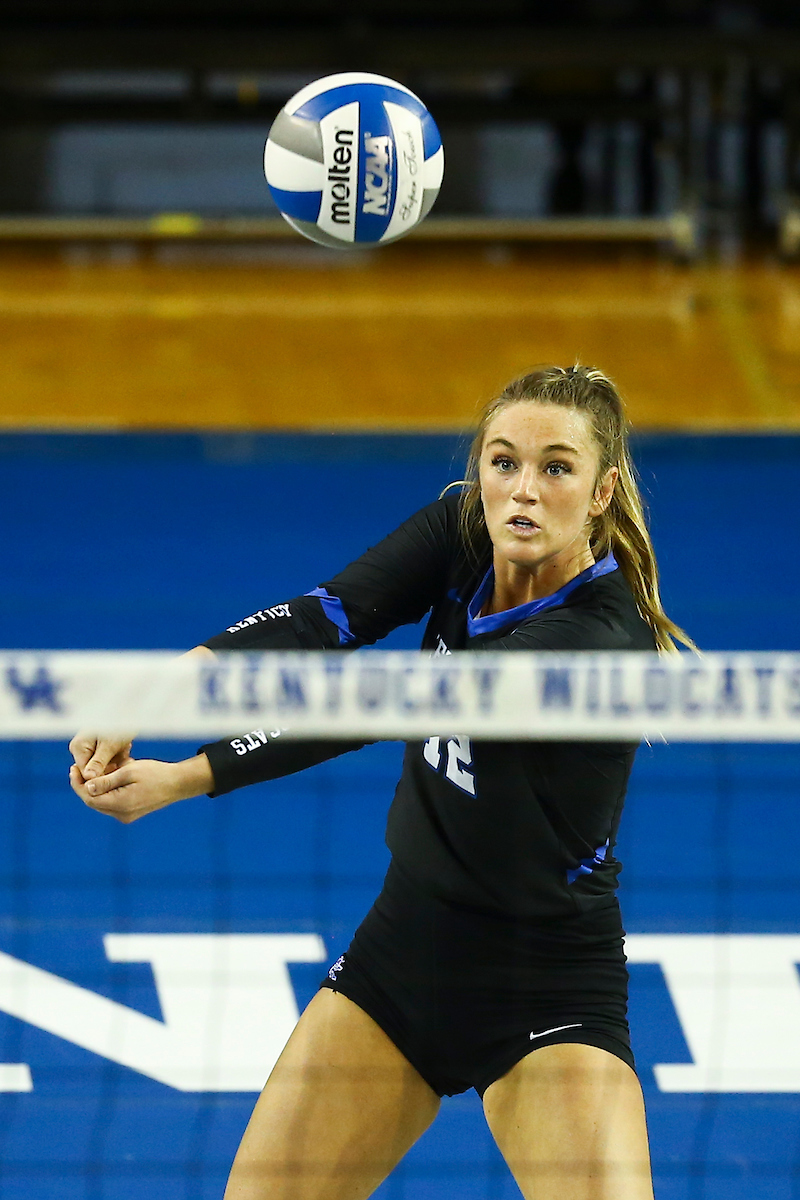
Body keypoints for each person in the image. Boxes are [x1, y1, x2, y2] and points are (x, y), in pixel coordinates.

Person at [70, 365, 692, 1200]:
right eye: (503, 461)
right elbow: (320, 622)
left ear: (602, 490)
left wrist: (194, 771)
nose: (523, 490)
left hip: (545, 982)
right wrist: (161, 714)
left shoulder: (599, 638)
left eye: (557, 467)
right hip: (404, 955)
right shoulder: (462, 529)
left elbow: (383, 702)